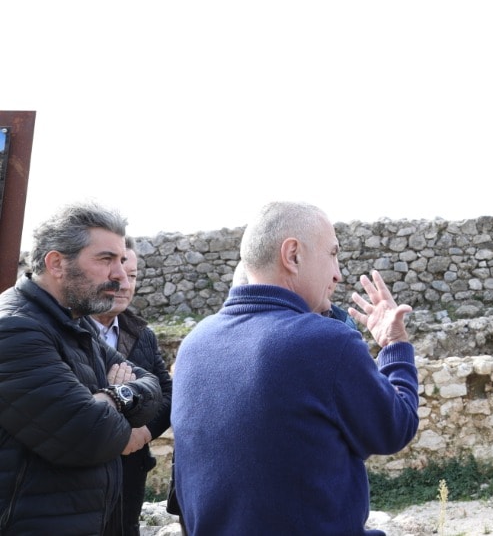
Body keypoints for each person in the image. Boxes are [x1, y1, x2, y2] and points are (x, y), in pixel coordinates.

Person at [171, 201, 420, 536]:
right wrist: (394, 344)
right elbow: (395, 428)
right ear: (293, 255)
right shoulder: (324, 341)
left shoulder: (193, 345)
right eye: (333, 254)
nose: (338, 273)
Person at [0, 203, 163, 536]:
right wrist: (119, 407)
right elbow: (89, 433)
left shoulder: (74, 323)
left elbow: (152, 386)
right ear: (57, 263)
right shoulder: (15, 328)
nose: (120, 276)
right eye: (105, 259)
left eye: (121, 261)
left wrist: (112, 396)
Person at [91, 238, 174, 536]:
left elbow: (168, 394)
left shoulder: (141, 334)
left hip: (130, 475)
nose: (125, 284)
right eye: (117, 275)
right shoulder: (67, 332)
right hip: (82, 479)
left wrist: (142, 433)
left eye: (133, 275)